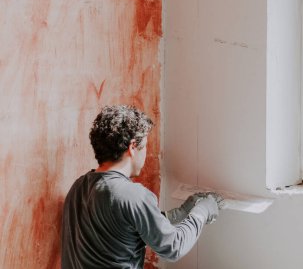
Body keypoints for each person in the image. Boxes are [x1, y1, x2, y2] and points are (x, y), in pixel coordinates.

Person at [61, 105, 223, 269]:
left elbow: (128, 224)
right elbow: (174, 247)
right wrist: (203, 210)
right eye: (145, 146)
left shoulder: (78, 187)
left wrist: (181, 212)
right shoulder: (132, 195)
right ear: (132, 147)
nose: (145, 152)